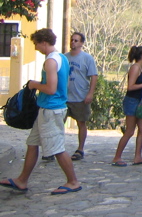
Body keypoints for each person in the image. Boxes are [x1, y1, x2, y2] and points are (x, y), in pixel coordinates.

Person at [0, 28, 81, 195]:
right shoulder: (62, 58)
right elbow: (62, 85)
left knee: (56, 147)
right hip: (49, 108)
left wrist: (34, 84)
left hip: (50, 109)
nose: (36, 47)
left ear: (44, 42)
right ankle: (22, 180)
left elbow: (51, 88)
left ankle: (73, 181)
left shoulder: (50, 62)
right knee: (32, 144)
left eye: (36, 43)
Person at [112, 45, 142, 167]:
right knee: (130, 131)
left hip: (138, 101)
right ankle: (117, 156)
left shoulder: (140, 68)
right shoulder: (135, 68)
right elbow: (130, 87)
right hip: (132, 101)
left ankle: (138, 156)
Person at [64, 32, 98, 162]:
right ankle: (56, 148)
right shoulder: (64, 57)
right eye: (72, 40)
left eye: (76, 40)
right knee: (58, 123)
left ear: (81, 43)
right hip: (65, 97)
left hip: (80, 96)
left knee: (81, 123)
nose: (73, 42)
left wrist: (90, 93)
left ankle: (80, 149)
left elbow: (93, 76)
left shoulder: (87, 58)